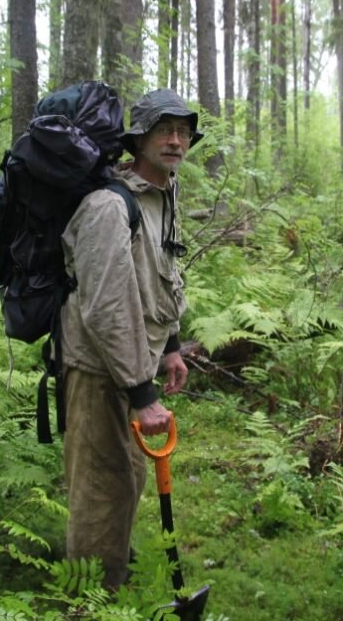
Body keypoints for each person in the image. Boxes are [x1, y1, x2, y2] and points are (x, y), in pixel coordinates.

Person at [58, 88, 200, 589]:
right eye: (164, 129)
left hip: (133, 361)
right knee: (102, 487)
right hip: (99, 367)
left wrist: (171, 347)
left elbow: (160, 272)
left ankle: (109, 572)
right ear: (138, 139)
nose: (176, 140)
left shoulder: (163, 193)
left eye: (183, 131)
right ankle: (89, 596)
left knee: (126, 478)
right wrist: (142, 394)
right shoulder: (108, 206)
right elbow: (107, 306)